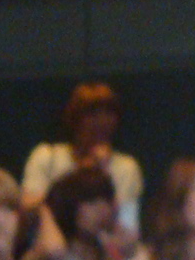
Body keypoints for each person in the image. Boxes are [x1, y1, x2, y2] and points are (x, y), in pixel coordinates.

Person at [21, 82, 146, 234]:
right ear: (76, 119)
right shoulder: (47, 156)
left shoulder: (126, 167)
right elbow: (28, 207)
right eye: (93, 114)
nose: (102, 121)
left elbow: (127, 228)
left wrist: (103, 174)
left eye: (109, 113)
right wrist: (84, 171)